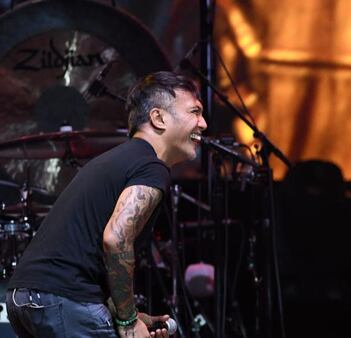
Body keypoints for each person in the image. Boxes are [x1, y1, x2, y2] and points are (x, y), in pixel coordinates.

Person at [5, 71, 207, 338]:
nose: (203, 123)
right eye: (195, 112)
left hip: (26, 298)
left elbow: (89, 257)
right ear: (158, 118)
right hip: (64, 301)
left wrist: (133, 314)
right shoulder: (151, 166)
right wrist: (127, 322)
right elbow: (115, 240)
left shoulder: (115, 160)